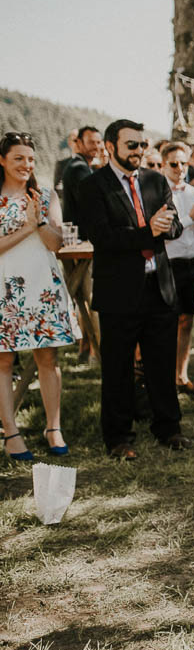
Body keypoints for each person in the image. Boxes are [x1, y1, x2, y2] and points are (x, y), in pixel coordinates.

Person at [78, 119, 190, 459]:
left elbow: (176, 226)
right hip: (119, 291)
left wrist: (166, 228)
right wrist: (150, 231)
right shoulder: (93, 186)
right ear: (110, 147)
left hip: (159, 286)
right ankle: (118, 437)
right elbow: (103, 237)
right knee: (117, 367)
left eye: (142, 145)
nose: (139, 151)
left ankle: (168, 428)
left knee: (161, 363)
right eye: (131, 145)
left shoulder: (156, 180)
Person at [0, 132, 80, 460]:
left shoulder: (45, 196)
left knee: (48, 358)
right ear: (2, 160)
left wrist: (41, 222)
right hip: (5, 289)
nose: (26, 164)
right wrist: (27, 228)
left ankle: (53, 426)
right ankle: (11, 431)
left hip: (43, 288)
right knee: (4, 360)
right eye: (19, 158)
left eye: (30, 159)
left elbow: (56, 243)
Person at [162, 142, 194, 392]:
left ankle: (182, 374)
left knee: (187, 321)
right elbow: (168, 233)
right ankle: (165, 375)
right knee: (169, 321)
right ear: (163, 164)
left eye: (183, 163)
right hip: (169, 263)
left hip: (192, 261)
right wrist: (191, 217)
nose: (180, 168)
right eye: (174, 163)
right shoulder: (158, 193)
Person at [60, 125, 103, 362]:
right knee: (91, 297)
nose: (96, 146)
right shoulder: (79, 169)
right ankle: (97, 351)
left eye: (99, 142)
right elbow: (93, 204)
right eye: (91, 142)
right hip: (84, 244)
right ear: (79, 143)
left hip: (81, 243)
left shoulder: (81, 167)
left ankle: (89, 348)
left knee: (85, 299)